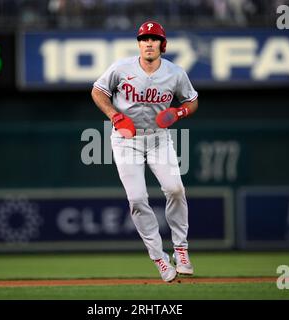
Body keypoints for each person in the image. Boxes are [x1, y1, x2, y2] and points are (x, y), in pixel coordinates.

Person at [91, 20, 198, 282]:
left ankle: (181, 249)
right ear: (139, 44)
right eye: (143, 38)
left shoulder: (175, 73)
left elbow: (192, 100)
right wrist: (114, 115)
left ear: (163, 45)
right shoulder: (121, 68)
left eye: (154, 38)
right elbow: (98, 91)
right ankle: (160, 259)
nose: (148, 42)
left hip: (159, 137)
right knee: (137, 199)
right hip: (126, 139)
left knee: (175, 189)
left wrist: (179, 111)